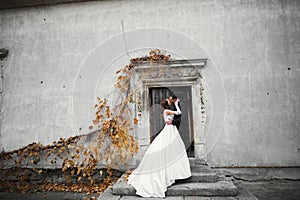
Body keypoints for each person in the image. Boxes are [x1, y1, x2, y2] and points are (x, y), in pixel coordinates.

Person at [127, 98, 191, 198]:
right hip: (169, 130)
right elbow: (179, 112)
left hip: (171, 129)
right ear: (167, 104)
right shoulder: (166, 111)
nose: (170, 102)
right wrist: (177, 103)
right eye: (169, 102)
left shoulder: (167, 111)